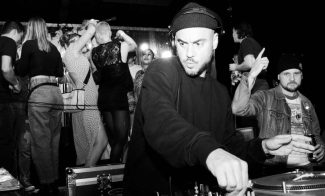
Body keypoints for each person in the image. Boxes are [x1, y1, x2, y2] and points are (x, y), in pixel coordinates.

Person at [123, 2, 316, 196]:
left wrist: (263, 146)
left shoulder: (220, 92)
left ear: (214, 41)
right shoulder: (161, 70)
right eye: (182, 43)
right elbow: (161, 121)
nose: (189, 53)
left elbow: (229, 144)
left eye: (198, 43)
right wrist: (209, 152)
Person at [232, 53, 325, 176]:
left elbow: (316, 134)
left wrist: (321, 148)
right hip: (276, 170)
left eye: (296, 73)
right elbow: (238, 109)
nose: (292, 78)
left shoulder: (307, 103)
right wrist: (251, 75)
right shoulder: (266, 97)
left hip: (307, 169)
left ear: (302, 76)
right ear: (278, 77)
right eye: (286, 74)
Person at [15, 17, 64, 195]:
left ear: (31, 28)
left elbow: (20, 70)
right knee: (54, 140)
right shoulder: (53, 47)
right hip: (56, 95)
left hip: (40, 93)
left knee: (40, 141)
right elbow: (60, 72)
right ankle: (55, 182)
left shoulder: (28, 45)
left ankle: (46, 184)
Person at [62, 19, 109, 167]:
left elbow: (94, 44)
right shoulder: (71, 54)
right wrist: (91, 23)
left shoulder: (78, 56)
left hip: (83, 105)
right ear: (68, 44)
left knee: (86, 147)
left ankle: (84, 182)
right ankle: (87, 174)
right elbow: (90, 32)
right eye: (76, 41)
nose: (80, 43)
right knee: (101, 141)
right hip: (87, 104)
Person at [91, 21, 137, 163]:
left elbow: (96, 77)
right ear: (109, 32)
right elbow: (134, 46)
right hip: (118, 97)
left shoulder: (93, 53)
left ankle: (114, 169)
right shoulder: (120, 46)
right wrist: (122, 34)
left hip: (104, 98)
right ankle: (113, 168)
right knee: (122, 138)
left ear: (97, 35)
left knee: (114, 138)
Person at [0, 20, 23, 176]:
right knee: (6, 145)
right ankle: (8, 187)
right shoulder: (8, 41)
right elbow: (6, 68)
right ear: (14, 32)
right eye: (20, 39)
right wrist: (16, 84)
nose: (18, 42)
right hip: (2, 102)